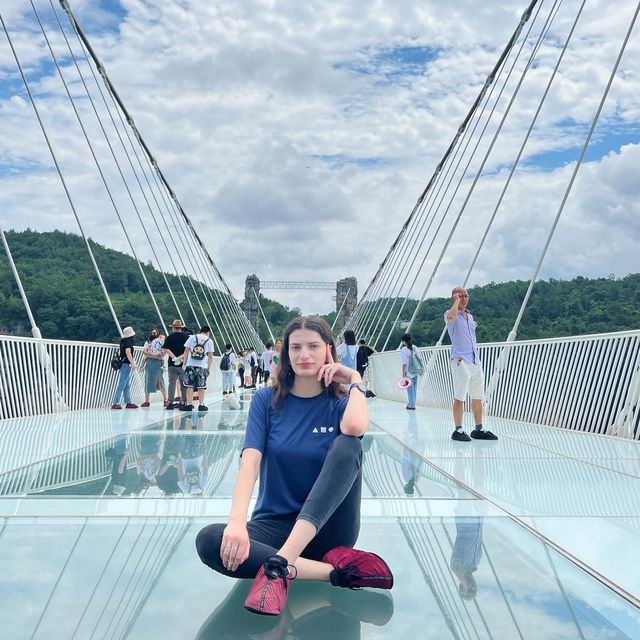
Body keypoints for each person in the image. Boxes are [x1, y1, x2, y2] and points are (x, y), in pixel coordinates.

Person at [195, 316, 393, 617]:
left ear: (329, 351)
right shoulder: (266, 401)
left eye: (313, 347)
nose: (304, 355)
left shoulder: (339, 404)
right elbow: (250, 460)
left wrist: (354, 379)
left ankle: (278, 564)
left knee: (349, 443)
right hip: (274, 525)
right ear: (285, 353)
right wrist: (236, 522)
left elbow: (354, 426)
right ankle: (336, 573)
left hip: (329, 530)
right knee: (211, 540)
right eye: (296, 347)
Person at [445, 287, 498, 441]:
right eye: (460, 296)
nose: (464, 298)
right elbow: (451, 318)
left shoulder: (470, 317)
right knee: (459, 396)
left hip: (475, 361)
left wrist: (477, 361)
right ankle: (458, 429)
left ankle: (479, 428)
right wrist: (456, 302)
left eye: (466, 295)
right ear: (454, 297)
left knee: (477, 397)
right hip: (460, 360)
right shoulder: (450, 314)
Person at [180, 325, 214, 412]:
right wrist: (208, 368)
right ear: (208, 332)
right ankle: (201, 405)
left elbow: (186, 351)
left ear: (200, 331)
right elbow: (210, 356)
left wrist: (184, 364)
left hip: (190, 365)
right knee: (201, 386)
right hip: (202, 366)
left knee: (189, 386)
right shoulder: (209, 341)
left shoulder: (192, 337)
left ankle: (189, 404)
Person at [163, 319, 189, 409]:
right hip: (183, 364)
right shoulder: (186, 337)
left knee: (172, 383)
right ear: (181, 328)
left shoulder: (169, 337)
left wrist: (174, 357)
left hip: (172, 364)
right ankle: (184, 401)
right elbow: (188, 350)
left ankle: (170, 402)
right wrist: (180, 358)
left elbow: (166, 349)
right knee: (184, 383)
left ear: (173, 328)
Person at [111, 326, 138, 409]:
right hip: (126, 364)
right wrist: (133, 363)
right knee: (122, 384)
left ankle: (128, 401)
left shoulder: (123, 341)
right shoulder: (128, 342)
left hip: (123, 364)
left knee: (126, 384)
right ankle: (115, 402)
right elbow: (128, 352)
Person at [141, 329, 168, 407]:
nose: (153, 334)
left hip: (158, 364)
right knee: (148, 381)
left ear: (157, 334)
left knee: (160, 381)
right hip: (149, 362)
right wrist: (154, 356)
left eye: (155, 333)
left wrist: (153, 355)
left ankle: (165, 400)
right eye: (152, 333)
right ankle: (146, 401)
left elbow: (163, 353)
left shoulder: (161, 342)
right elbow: (145, 352)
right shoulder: (148, 342)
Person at [399, 333, 419, 410]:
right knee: (414, 388)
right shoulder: (415, 347)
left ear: (404, 341)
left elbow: (404, 363)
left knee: (409, 389)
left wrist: (403, 375)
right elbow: (419, 358)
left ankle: (411, 405)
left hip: (408, 371)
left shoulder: (403, 350)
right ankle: (412, 403)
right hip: (415, 370)